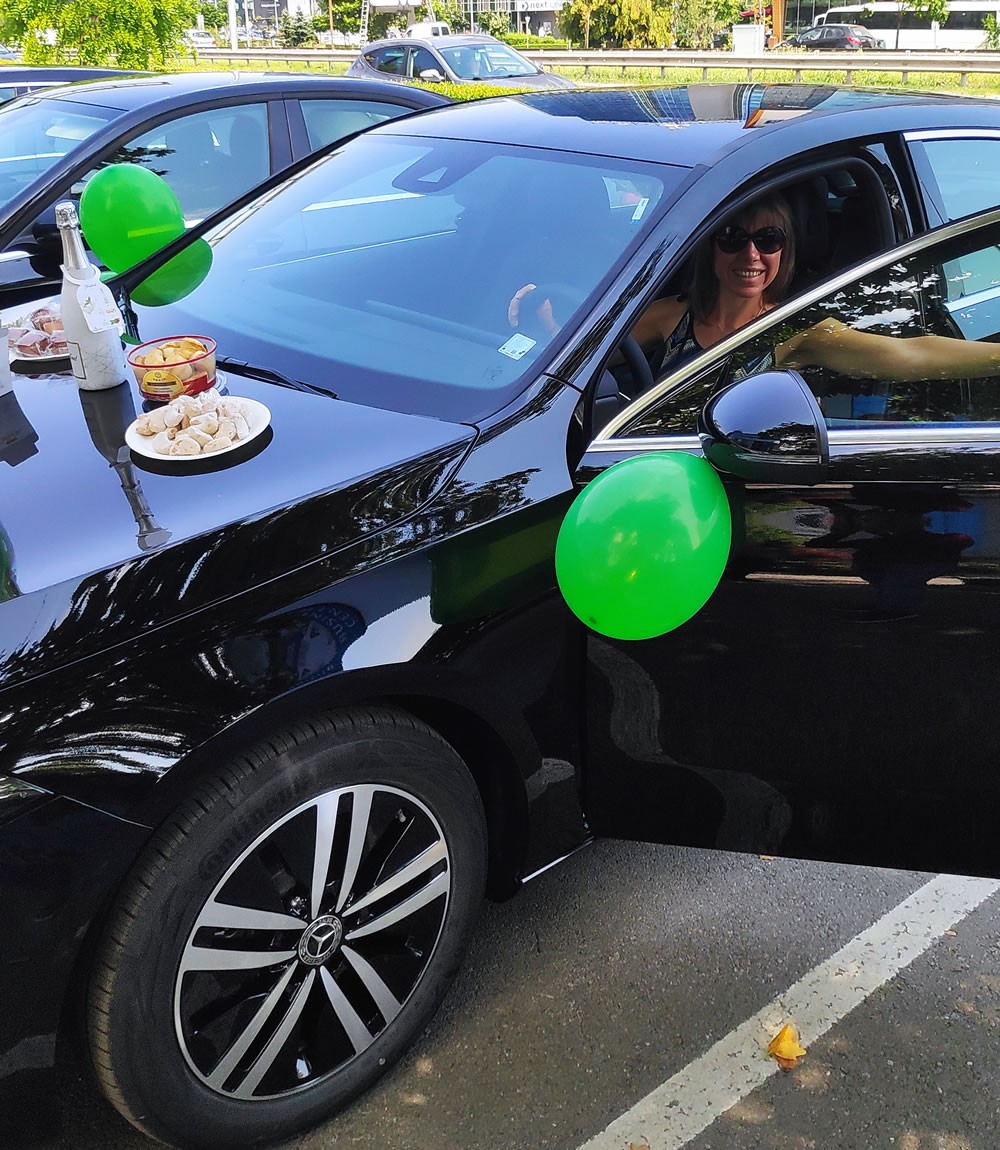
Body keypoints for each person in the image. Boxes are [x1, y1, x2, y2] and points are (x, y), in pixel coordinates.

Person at [508, 191, 1000, 387]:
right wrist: (536, 314)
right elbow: (583, 357)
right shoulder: (670, 315)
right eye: (732, 238)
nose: (750, 255)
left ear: (785, 250)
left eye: (768, 240)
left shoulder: (794, 331)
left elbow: (910, 353)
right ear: (710, 249)